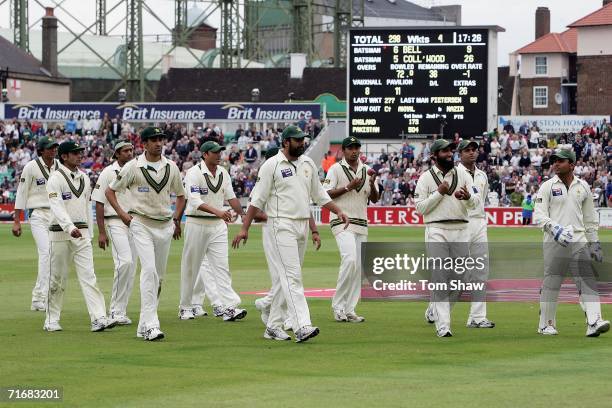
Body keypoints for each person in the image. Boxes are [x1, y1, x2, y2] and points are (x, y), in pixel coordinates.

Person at [232, 126, 349, 343]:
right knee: (292, 277)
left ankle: (273, 326)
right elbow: (256, 200)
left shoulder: (307, 164)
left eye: (302, 140)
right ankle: (301, 325)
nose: (302, 143)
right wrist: (244, 228)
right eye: (297, 140)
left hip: (302, 224)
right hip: (280, 224)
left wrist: (339, 210)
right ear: (285, 142)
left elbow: (319, 194)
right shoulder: (271, 165)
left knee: (283, 280)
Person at [106, 127, 186, 341]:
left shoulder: (171, 167)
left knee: (158, 278)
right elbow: (110, 191)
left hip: (164, 225)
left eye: (161, 139)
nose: (158, 143)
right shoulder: (133, 167)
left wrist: (176, 218)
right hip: (140, 223)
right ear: (144, 144)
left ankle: (143, 324)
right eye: (153, 140)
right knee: (148, 271)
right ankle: (151, 325)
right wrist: (122, 214)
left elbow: (181, 195)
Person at [533, 148, 609, 337]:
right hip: (554, 241)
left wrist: (595, 244)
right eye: (554, 160)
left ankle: (594, 322)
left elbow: (590, 219)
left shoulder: (582, 186)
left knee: (587, 280)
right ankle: (546, 324)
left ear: (572, 165)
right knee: (552, 282)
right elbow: (538, 215)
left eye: (561, 160)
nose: (556, 163)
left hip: (578, 239)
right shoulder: (547, 186)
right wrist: (554, 228)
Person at [44, 141, 116, 332]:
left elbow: (87, 207)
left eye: (80, 152)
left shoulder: (84, 178)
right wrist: (69, 227)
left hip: (82, 234)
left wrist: (91, 234)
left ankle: (99, 318)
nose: (79, 155)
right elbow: (56, 205)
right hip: (59, 234)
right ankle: (51, 319)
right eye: (75, 153)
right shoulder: (55, 178)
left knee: (89, 277)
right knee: (57, 279)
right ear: (64, 156)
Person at [253, 147, 321, 340]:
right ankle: (300, 324)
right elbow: (255, 206)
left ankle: (272, 322)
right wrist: (246, 227)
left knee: (287, 276)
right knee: (288, 276)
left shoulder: (301, 168)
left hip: (295, 228)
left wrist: (314, 229)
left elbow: (304, 205)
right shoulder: (269, 170)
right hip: (274, 229)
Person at [415, 139, 479, 338]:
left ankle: (436, 310)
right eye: (444, 152)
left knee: (461, 279)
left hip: (461, 228)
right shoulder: (426, 178)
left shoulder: (463, 174)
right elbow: (420, 208)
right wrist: (438, 194)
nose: (450, 154)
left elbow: (476, 203)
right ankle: (444, 325)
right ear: (434, 156)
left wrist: (467, 197)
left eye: (450, 151)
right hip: (436, 229)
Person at [179, 141, 247, 322]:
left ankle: (229, 306)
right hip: (196, 223)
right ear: (205, 154)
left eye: (220, 152)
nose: (219, 155)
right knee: (191, 267)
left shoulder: (223, 173)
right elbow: (193, 200)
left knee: (221, 267)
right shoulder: (193, 173)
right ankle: (185, 306)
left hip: (217, 226)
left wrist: (243, 214)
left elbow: (231, 198)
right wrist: (218, 212)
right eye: (215, 152)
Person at [324, 136, 379, 323]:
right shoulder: (335, 169)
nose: (354, 151)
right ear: (343, 150)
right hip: (341, 220)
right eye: (350, 148)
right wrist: (348, 187)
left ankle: (350, 309)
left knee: (358, 269)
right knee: (350, 260)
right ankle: (338, 306)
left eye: (357, 147)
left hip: (361, 222)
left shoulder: (366, 170)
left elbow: (375, 198)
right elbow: (326, 194)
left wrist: (372, 183)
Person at [92, 140, 137, 325]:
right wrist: (101, 232)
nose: (129, 153)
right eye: (125, 151)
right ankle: (114, 311)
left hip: (135, 223)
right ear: (117, 154)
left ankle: (121, 310)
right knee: (124, 262)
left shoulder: (137, 169)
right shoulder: (107, 173)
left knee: (132, 267)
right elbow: (99, 202)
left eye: (131, 150)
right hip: (115, 221)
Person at [13, 136, 60, 312]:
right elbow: (21, 193)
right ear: (41, 150)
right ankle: (38, 298)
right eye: (50, 148)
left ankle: (46, 295)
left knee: (55, 255)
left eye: (55, 147)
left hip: (56, 214)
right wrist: (17, 220)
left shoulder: (59, 166)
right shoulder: (31, 167)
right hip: (38, 214)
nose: (53, 150)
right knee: (46, 252)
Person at [456, 140, 495, 328]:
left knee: (480, 270)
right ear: (460, 154)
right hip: (461, 223)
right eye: (467, 150)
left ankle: (477, 317)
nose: (471, 153)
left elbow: (481, 201)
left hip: (479, 222)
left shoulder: (482, 175)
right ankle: (434, 307)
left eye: (474, 150)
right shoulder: (454, 173)